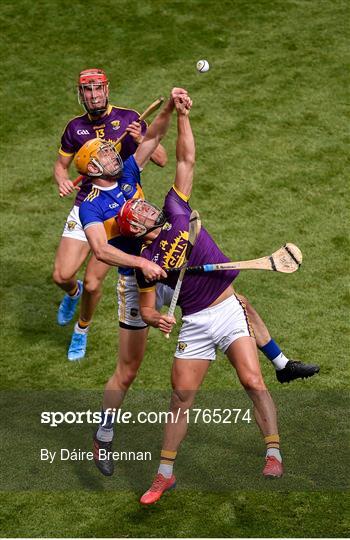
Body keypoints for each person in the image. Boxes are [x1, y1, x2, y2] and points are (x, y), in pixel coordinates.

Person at [117, 94, 289, 504]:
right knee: (180, 398)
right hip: (194, 322)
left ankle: (273, 450)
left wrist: (184, 118)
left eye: (141, 206)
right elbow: (145, 308)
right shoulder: (144, 260)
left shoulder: (176, 210)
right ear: (136, 230)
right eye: (135, 213)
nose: (142, 208)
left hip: (228, 309)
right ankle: (164, 473)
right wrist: (156, 317)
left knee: (251, 378)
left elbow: (185, 161)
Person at [52, 68, 167, 361]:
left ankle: (82, 329)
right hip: (87, 205)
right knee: (62, 275)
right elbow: (60, 165)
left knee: (93, 281)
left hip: (117, 212)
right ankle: (73, 293)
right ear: (81, 95)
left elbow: (162, 159)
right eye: (87, 91)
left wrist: (142, 138)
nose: (93, 95)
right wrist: (62, 178)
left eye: (98, 89)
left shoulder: (129, 118)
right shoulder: (74, 128)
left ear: (107, 89)